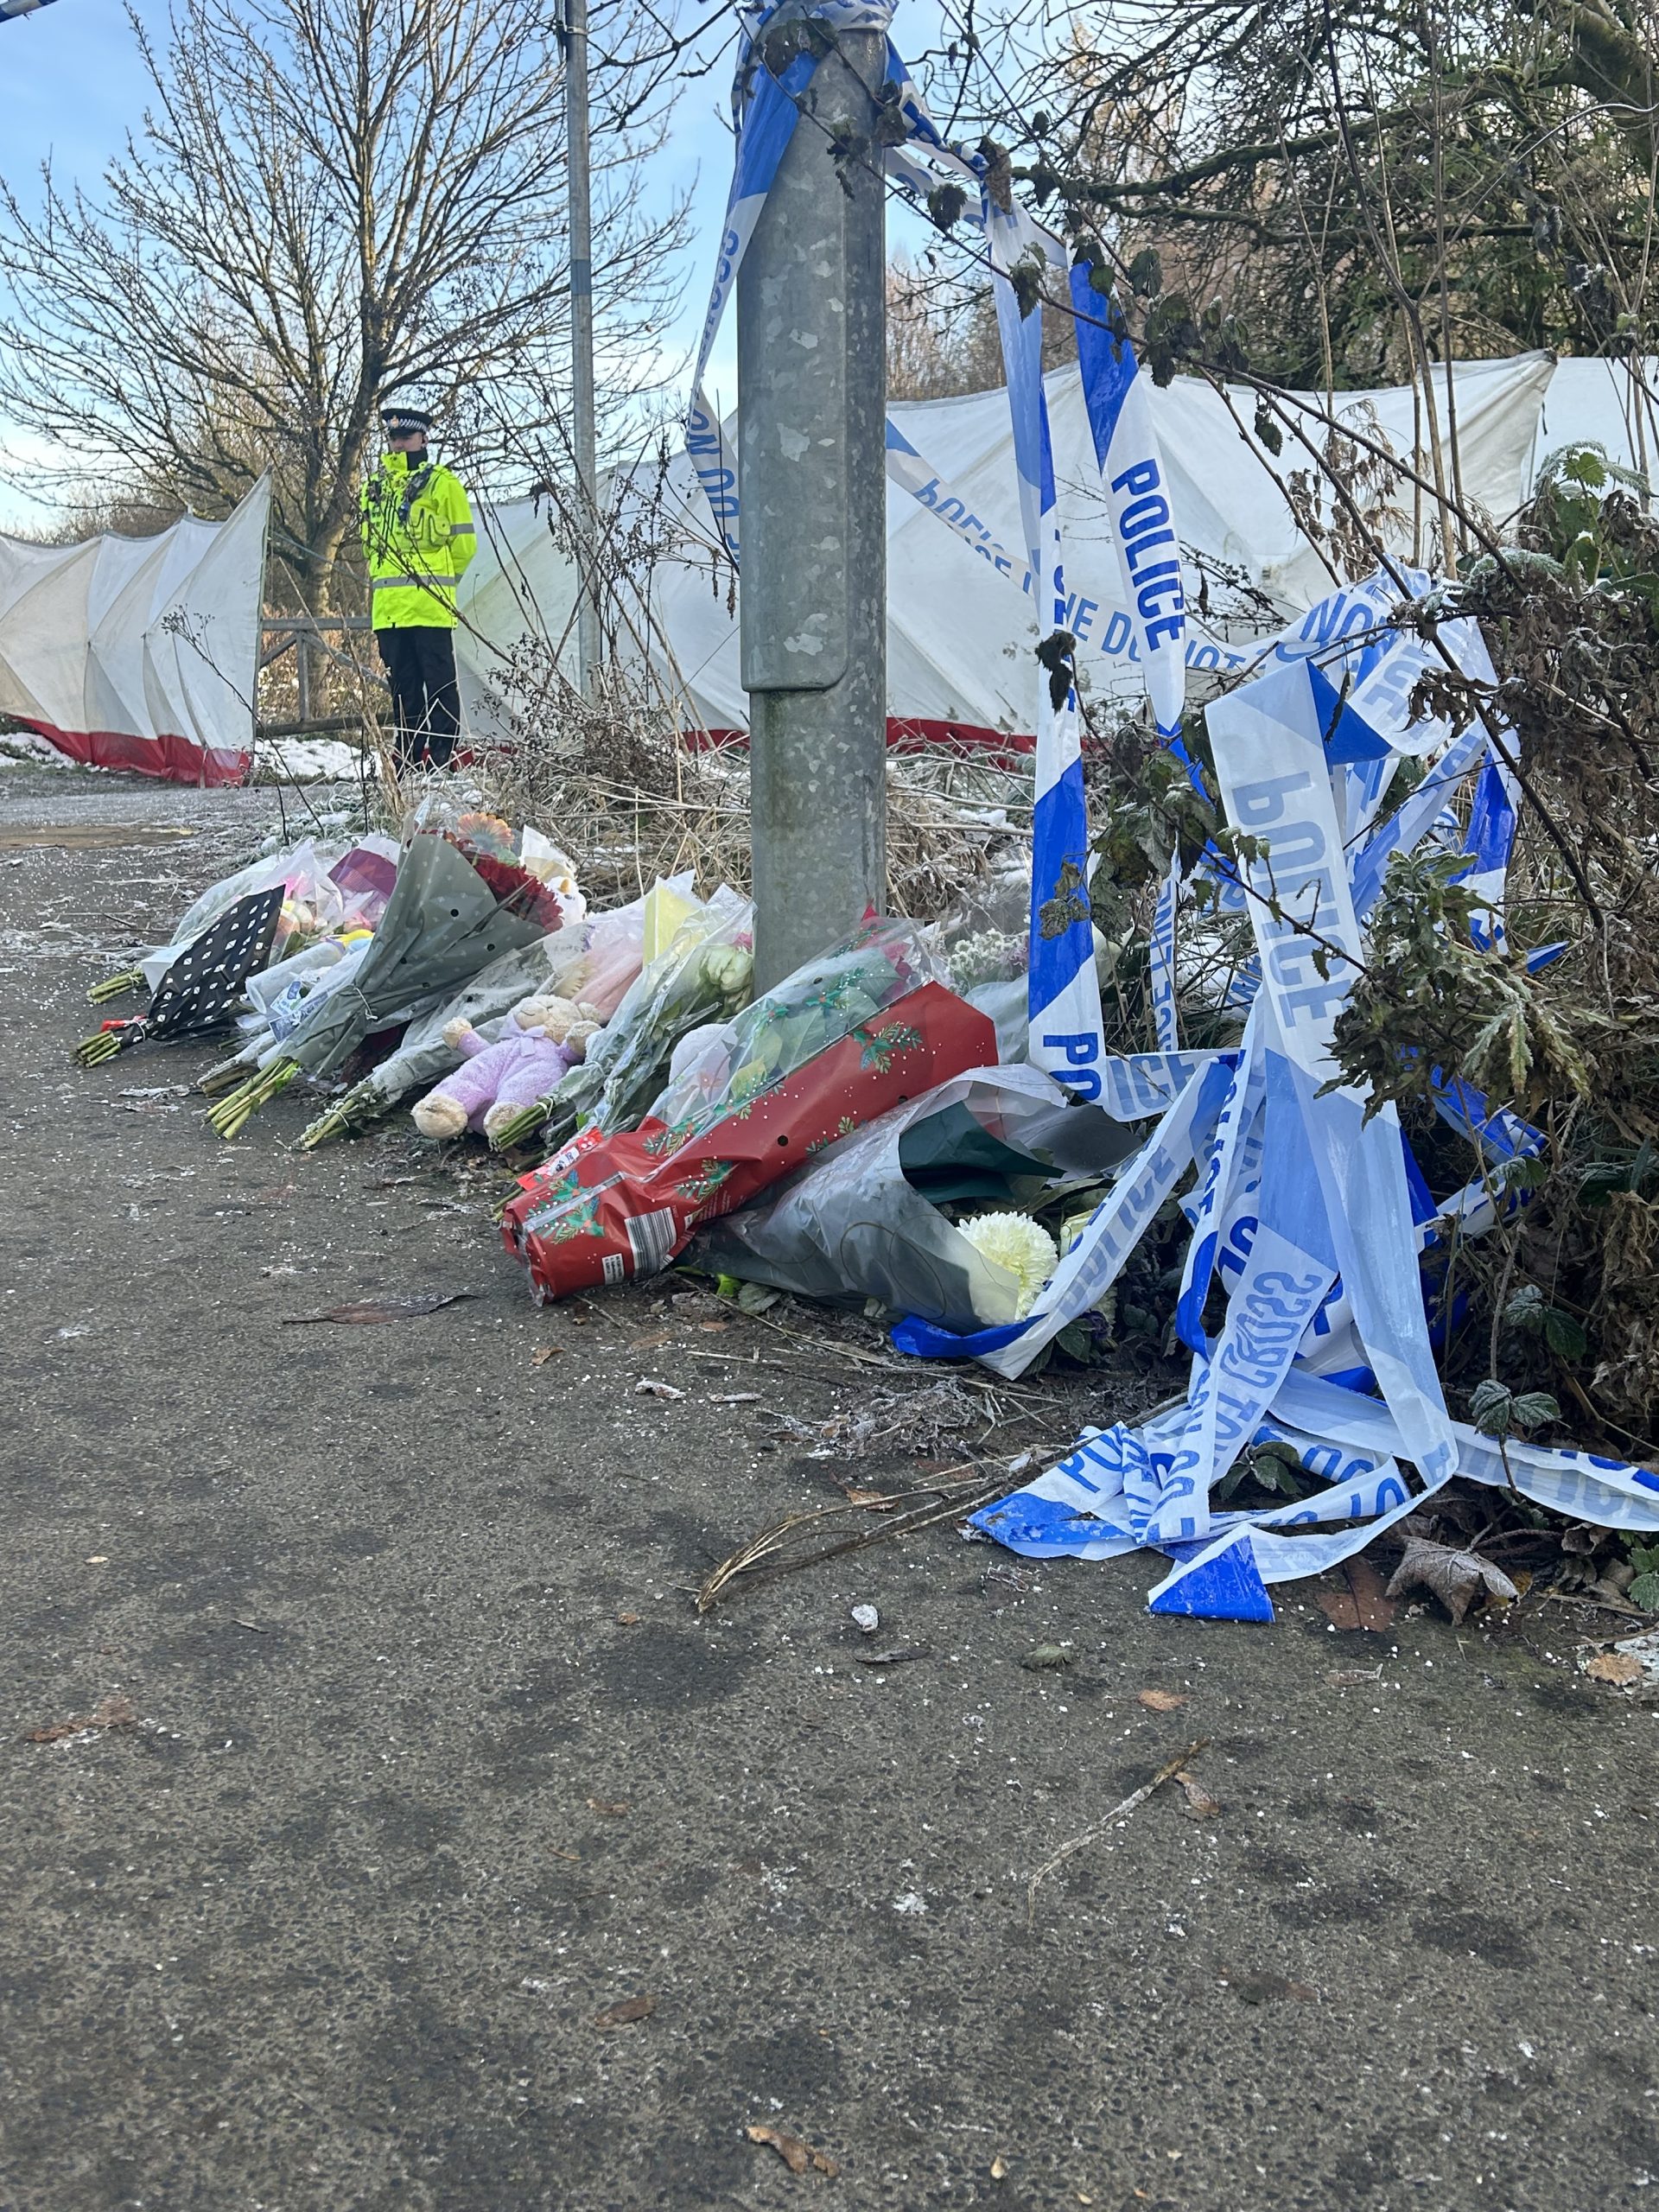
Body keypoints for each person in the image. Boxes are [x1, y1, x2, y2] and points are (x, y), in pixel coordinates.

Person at [359, 404, 476, 772]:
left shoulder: (444, 484)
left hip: (429, 608)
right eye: (393, 438)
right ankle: (409, 757)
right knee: (403, 689)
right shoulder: (374, 489)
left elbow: (464, 547)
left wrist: (440, 586)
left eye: (406, 437)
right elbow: (369, 548)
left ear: (424, 438)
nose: (398, 445)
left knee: (439, 684)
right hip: (390, 611)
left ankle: (443, 757)